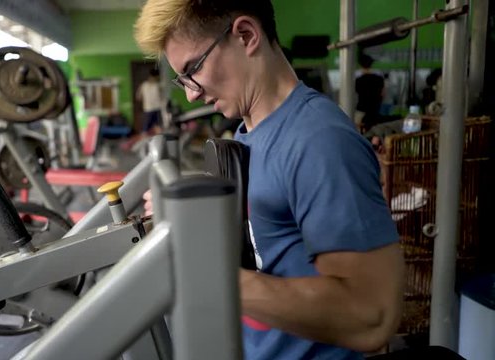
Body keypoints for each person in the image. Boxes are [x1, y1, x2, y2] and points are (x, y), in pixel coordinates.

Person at [135, 1, 404, 359]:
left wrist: (200, 268)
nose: (191, 93)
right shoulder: (248, 132)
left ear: (246, 35)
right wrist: (193, 208)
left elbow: (370, 317)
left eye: (193, 69)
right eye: (182, 79)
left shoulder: (319, 141)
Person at [355, 53, 386, 132]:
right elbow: (383, 94)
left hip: (361, 111)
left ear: (360, 65)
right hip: (374, 112)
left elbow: (355, 94)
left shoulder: (358, 80)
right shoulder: (379, 78)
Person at [136, 68, 164, 135]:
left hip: (150, 109)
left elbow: (138, 97)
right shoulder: (158, 85)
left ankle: (153, 142)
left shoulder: (143, 85)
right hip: (155, 109)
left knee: (149, 128)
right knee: (156, 128)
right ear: (157, 76)